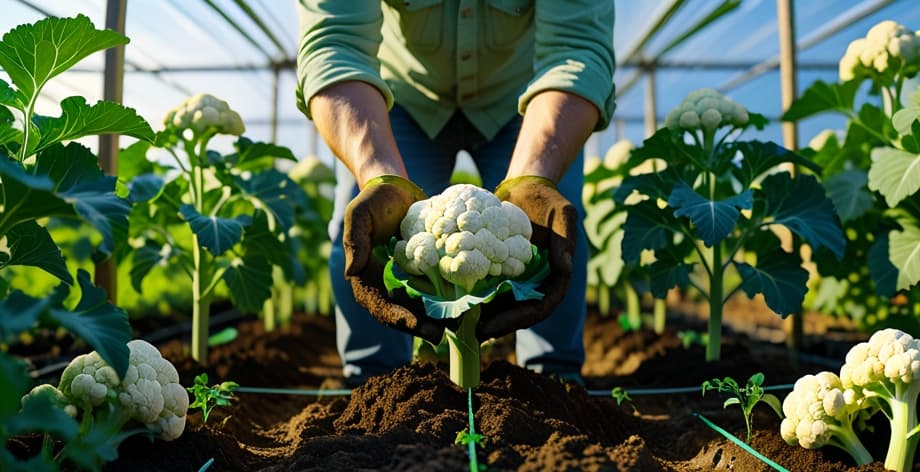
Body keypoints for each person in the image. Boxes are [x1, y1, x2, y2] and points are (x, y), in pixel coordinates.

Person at [295, 1, 615, 386]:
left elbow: (577, 47)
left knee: (556, 234)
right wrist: (381, 177)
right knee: (364, 235)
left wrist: (535, 176)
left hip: (529, 99)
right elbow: (336, 42)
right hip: (400, 99)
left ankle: (554, 382)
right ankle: (373, 386)